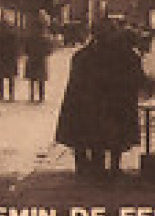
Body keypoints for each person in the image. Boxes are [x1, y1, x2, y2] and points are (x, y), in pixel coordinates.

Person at [54, 20, 146, 177]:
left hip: (90, 105)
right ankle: (109, 168)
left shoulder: (83, 55)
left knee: (95, 135)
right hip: (106, 104)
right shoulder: (121, 55)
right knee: (110, 135)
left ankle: (92, 167)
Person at [0, 18, 20, 102]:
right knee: (10, 78)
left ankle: (1, 95)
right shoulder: (12, 34)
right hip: (10, 59)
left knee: (1, 78)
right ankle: (11, 95)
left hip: (1, 58)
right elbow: (16, 47)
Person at [24, 21, 52, 103]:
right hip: (41, 60)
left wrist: (30, 54)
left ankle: (31, 95)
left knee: (32, 79)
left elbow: (26, 49)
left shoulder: (30, 37)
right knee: (41, 79)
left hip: (32, 59)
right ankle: (41, 97)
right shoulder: (45, 38)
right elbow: (49, 50)